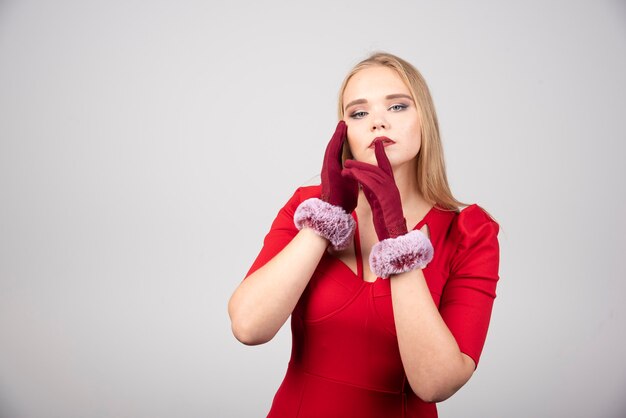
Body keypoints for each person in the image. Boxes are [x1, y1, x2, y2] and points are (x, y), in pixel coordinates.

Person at [227, 51, 501, 418]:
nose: (377, 123)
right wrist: (325, 220)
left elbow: (436, 383)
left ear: (425, 122)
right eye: (359, 113)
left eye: (398, 107)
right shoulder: (305, 207)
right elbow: (248, 327)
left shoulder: (469, 231)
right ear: (345, 133)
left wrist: (399, 243)